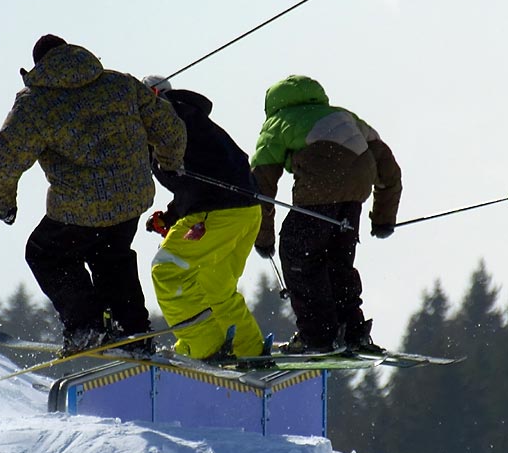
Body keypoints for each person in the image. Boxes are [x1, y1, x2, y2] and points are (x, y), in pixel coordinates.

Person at [0, 35, 186, 355]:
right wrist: (171, 163)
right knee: (112, 255)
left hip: (80, 205)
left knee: (45, 253)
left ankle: (86, 329)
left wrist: (5, 204)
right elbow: (170, 126)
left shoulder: (35, 102)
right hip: (132, 196)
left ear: (39, 66)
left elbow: (4, 162)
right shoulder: (120, 83)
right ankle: (133, 329)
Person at [250, 74, 402, 354]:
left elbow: (260, 187)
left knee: (301, 261)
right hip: (355, 196)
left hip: (318, 194)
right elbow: (390, 171)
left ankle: (317, 337)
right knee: (338, 265)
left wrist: (263, 237)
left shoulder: (278, 123)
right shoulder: (345, 116)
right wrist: (383, 219)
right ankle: (353, 332)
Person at [142, 76, 266, 360]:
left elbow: (198, 181)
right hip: (246, 210)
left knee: (167, 268)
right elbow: (203, 175)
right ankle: (248, 350)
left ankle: (204, 346)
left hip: (216, 213)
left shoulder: (164, 119)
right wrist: (173, 215)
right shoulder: (191, 117)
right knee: (216, 285)